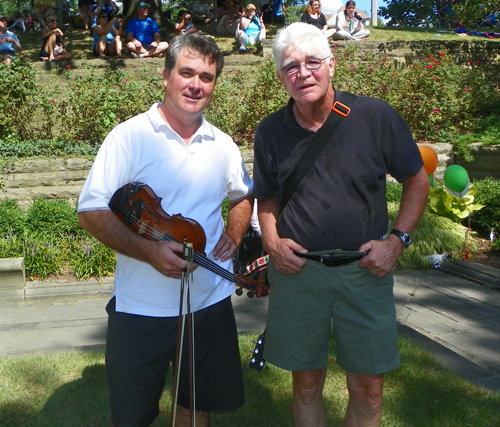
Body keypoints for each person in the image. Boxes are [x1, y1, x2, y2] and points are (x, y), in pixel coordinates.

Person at [253, 22, 429, 427]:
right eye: (290, 66)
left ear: (332, 63)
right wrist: (273, 242)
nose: (303, 73)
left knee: (369, 388)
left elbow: (417, 179)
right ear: (280, 76)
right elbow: (267, 197)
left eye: (312, 62)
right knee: (308, 384)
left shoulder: (374, 116)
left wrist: (397, 241)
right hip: (299, 274)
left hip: (363, 272)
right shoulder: (270, 132)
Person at [78, 33, 253, 427]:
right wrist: (149, 251)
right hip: (141, 306)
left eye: (206, 77)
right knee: (133, 416)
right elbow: (90, 211)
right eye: (186, 73)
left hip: (207, 302)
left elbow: (243, 195)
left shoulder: (222, 144)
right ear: (165, 75)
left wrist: (235, 234)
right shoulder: (129, 136)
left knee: (195, 407)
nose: (195, 84)